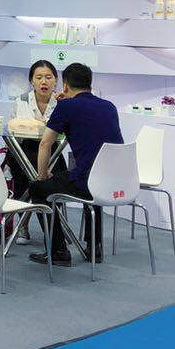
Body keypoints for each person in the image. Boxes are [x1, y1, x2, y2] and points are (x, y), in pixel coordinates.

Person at [27, 63, 122, 266]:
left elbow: (45, 144)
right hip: (115, 181)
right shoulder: (109, 106)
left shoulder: (66, 107)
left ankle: (58, 251)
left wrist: (42, 176)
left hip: (88, 182)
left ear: (65, 85)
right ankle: (95, 247)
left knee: (38, 188)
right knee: (91, 178)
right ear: (90, 84)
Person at [6, 61, 58, 200]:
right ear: (31, 81)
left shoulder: (61, 103)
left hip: (52, 152)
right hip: (23, 151)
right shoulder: (21, 101)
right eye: (39, 77)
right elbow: (12, 131)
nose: (44, 82)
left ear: (56, 81)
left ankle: (49, 212)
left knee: (54, 180)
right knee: (24, 181)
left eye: (48, 77)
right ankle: (24, 212)